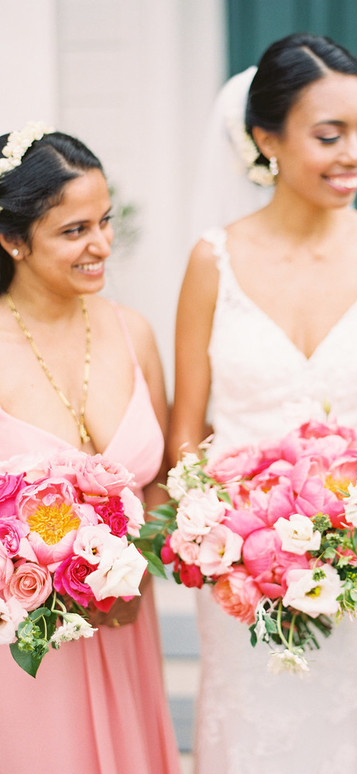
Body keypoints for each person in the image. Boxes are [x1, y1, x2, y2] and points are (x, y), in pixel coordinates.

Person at [169, 33, 357, 773]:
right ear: (267, 140)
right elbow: (186, 432)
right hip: (241, 580)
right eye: (330, 135)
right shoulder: (211, 260)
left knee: (345, 736)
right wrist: (222, 542)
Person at [0, 123, 181, 773]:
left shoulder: (134, 332)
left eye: (104, 222)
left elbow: (159, 482)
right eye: (75, 231)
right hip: (23, 647)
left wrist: (135, 567)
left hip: (126, 623)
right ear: (13, 240)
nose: (101, 245)